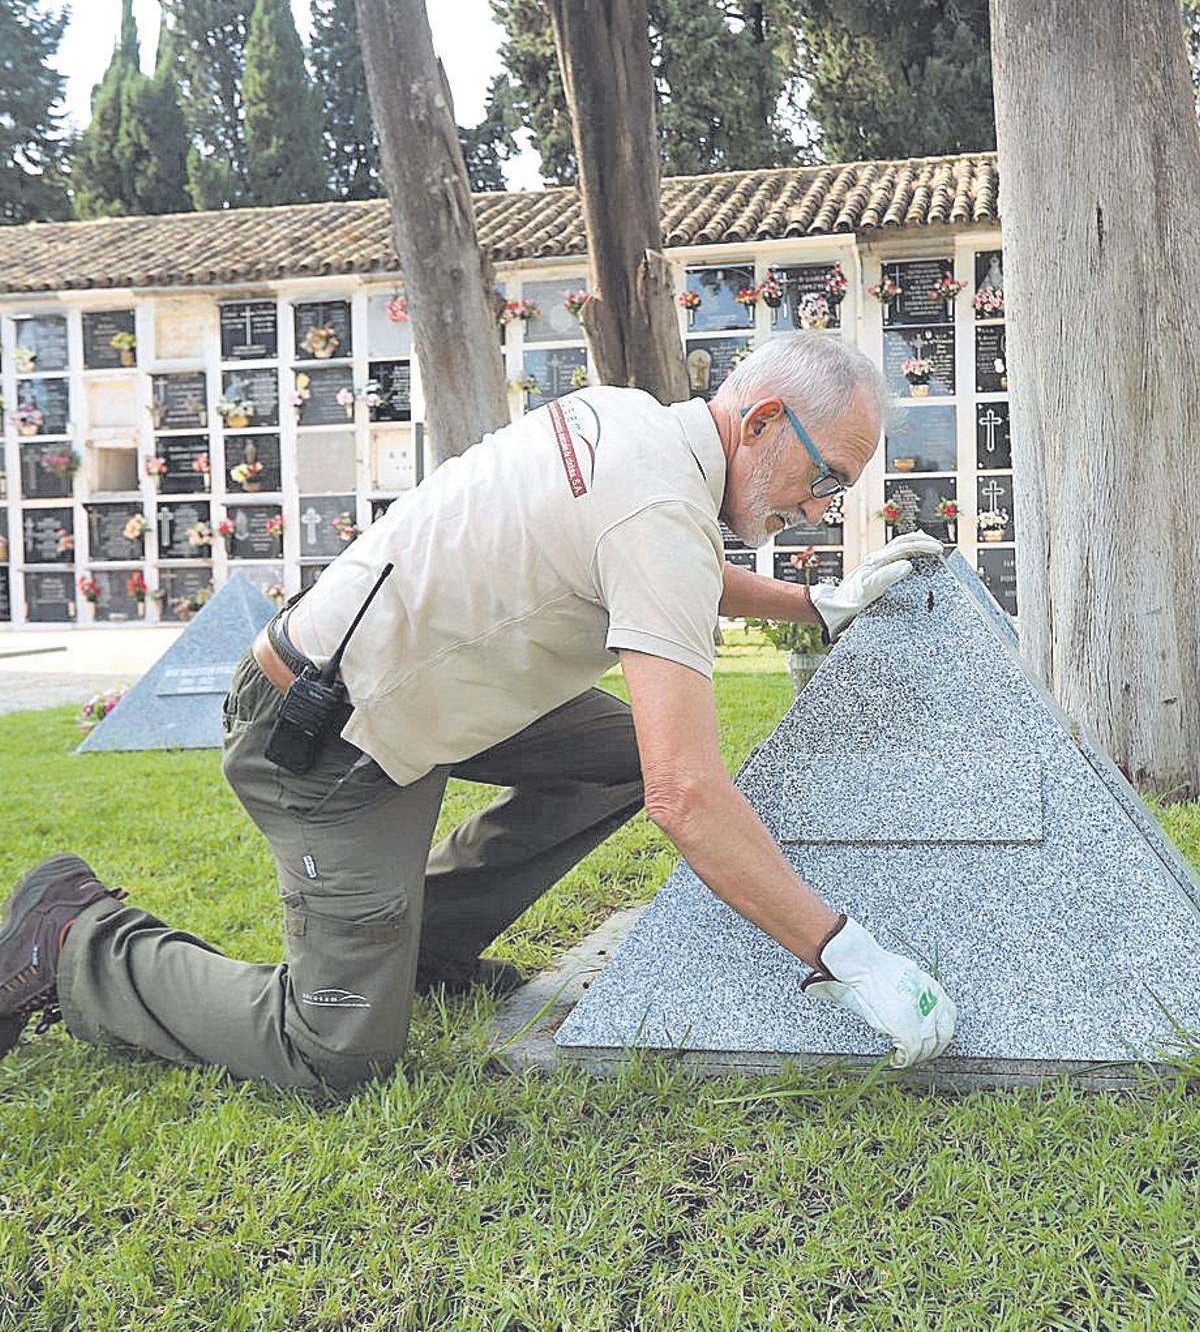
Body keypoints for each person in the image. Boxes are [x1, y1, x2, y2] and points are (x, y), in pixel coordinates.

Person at [0, 332, 956, 1090]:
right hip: (328, 739)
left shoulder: (636, 424)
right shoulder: (659, 509)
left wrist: (814, 605)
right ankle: (73, 937)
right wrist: (846, 954)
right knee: (331, 1049)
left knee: (620, 749)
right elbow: (687, 794)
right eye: (827, 478)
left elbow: (669, 569)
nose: (825, 510)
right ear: (763, 421)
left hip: (402, 687)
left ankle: (432, 943)